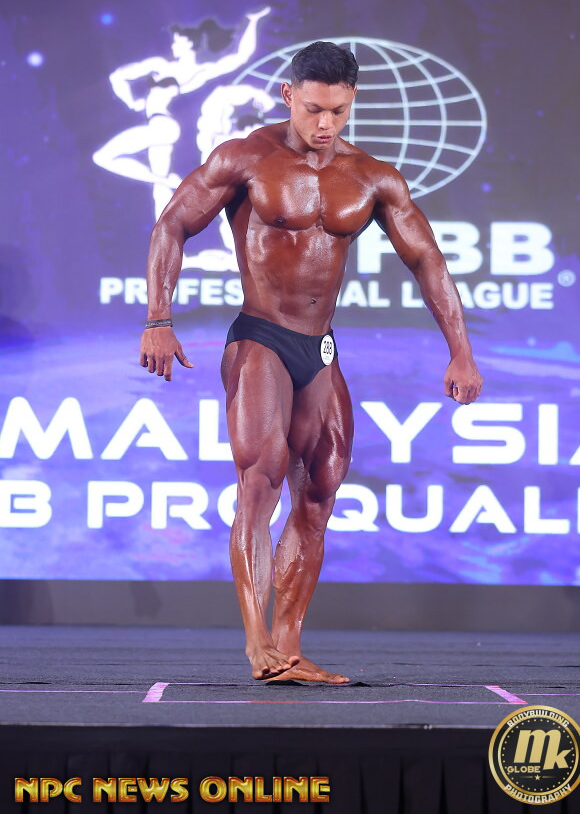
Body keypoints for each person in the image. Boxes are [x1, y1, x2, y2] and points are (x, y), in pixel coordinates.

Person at [140, 41, 483, 683]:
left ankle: (289, 648)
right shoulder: (246, 157)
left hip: (320, 348)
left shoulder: (373, 177)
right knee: (261, 482)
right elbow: (172, 225)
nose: (325, 124)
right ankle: (256, 643)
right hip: (261, 339)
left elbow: (426, 260)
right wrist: (159, 318)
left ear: (352, 103)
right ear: (288, 95)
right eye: (314, 109)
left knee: (321, 492)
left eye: (338, 112)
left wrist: (460, 350)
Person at [93, 7, 270, 224]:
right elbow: (118, 77)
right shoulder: (179, 70)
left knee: (104, 157)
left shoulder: (177, 69)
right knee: (159, 192)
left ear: (189, 44)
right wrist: (131, 101)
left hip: (162, 126)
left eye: (177, 42)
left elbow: (240, 57)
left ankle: (171, 182)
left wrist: (252, 22)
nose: (173, 46)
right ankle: (167, 233)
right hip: (162, 126)